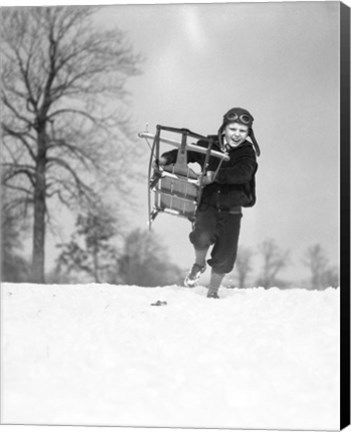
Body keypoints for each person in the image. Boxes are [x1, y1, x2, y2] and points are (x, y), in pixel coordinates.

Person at [156, 107, 260, 298]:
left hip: (232, 209)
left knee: (225, 255)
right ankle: (199, 264)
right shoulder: (210, 144)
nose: (237, 134)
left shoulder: (247, 153)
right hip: (208, 204)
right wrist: (166, 158)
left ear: (248, 133)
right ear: (224, 128)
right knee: (201, 236)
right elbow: (188, 152)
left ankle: (212, 292)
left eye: (242, 131)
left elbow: (243, 173)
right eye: (233, 129)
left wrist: (216, 175)